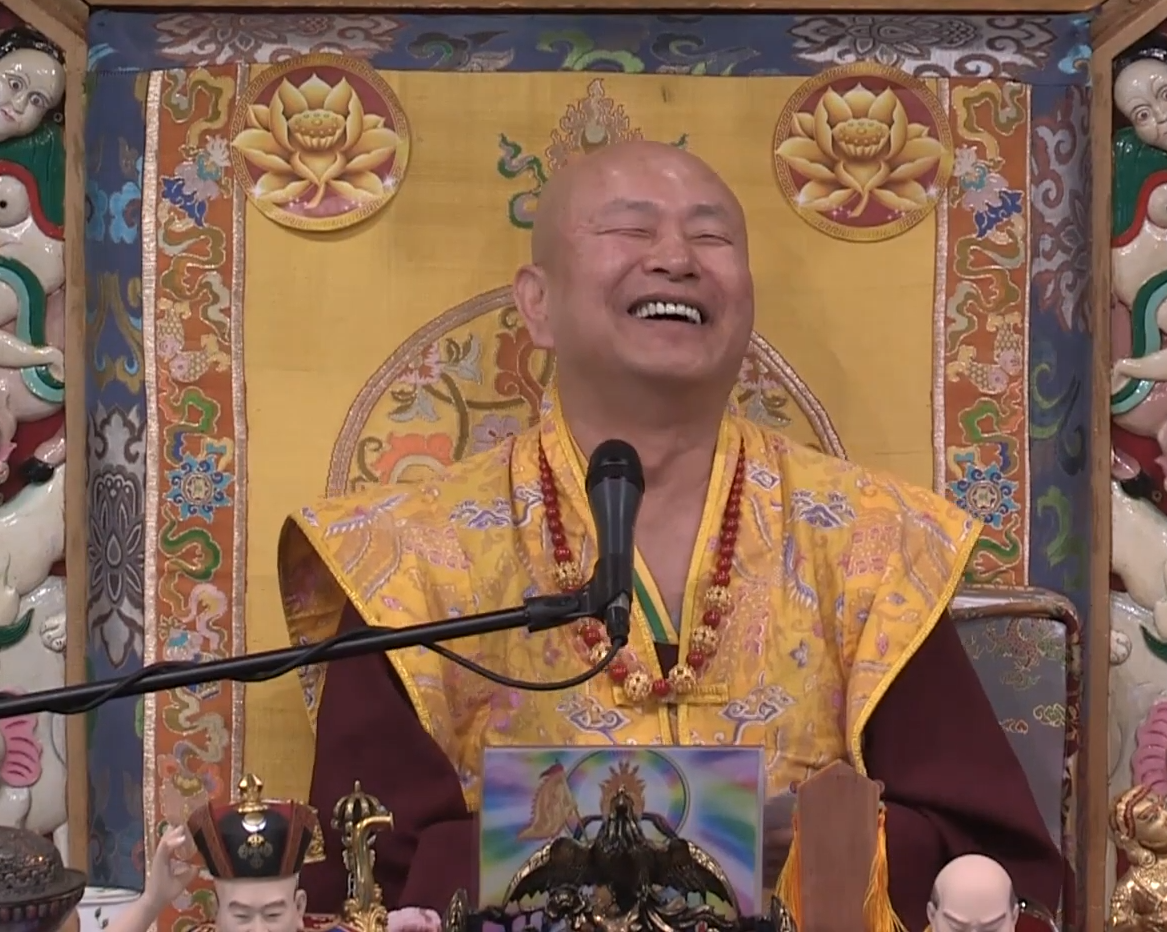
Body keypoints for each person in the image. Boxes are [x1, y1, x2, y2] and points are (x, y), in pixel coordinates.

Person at [277, 141, 1064, 932]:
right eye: (630, 229)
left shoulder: (870, 541)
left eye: (710, 236)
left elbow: (989, 863)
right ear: (537, 305)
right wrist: (707, 838)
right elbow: (364, 868)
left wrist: (820, 842)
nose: (675, 259)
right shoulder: (408, 558)